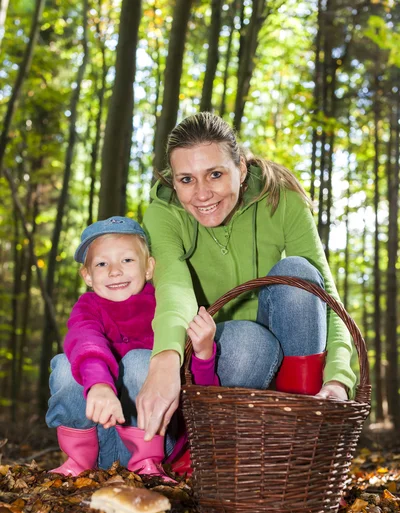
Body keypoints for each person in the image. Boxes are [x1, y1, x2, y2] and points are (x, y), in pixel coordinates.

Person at [138, 111, 356, 447]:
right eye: (186, 179)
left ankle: (301, 431)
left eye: (214, 174)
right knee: (248, 344)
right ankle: (222, 446)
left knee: (299, 273)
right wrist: (166, 359)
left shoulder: (279, 197)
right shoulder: (163, 213)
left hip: (286, 351)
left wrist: (339, 378)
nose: (202, 194)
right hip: (217, 355)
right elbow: (173, 287)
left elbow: (327, 297)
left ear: (240, 169)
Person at [46, 216, 217, 478]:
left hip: (155, 440)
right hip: (99, 442)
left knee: (140, 360)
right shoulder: (87, 308)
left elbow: (200, 392)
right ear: (87, 275)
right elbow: (85, 341)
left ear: (149, 268)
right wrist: (99, 385)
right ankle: (78, 459)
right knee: (65, 365)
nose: (115, 270)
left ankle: (147, 463)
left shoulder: (166, 310)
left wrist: (204, 354)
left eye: (127, 260)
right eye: (102, 263)